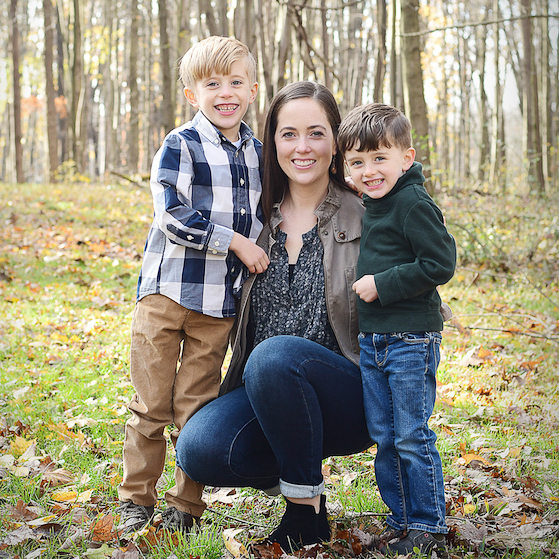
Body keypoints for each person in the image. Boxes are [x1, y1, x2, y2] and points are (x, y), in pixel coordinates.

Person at [175, 81, 374, 552]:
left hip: (350, 396)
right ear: (273, 141)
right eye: (288, 134)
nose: (302, 147)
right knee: (199, 448)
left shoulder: (365, 215)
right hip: (266, 392)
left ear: (336, 142)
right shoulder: (255, 220)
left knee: (274, 356)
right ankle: (298, 468)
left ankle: (303, 514)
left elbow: (419, 295)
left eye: (316, 133)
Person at [117, 36, 269, 533]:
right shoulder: (180, 144)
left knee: (195, 407)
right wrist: (235, 243)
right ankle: (136, 498)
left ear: (250, 89)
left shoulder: (259, 154)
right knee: (151, 404)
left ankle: (186, 506)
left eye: (235, 82)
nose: (224, 93)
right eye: (211, 84)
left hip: (218, 306)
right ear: (191, 93)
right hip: (165, 294)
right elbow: (171, 216)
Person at [337, 102, 456, 556]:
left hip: (410, 339)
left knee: (411, 434)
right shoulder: (375, 201)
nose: (369, 171)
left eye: (380, 159)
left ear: (406, 159)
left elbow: (440, 263)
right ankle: (403, 520)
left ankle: (428, 526)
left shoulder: (411, 202)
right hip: (375, 341)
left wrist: (381, 285)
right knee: (385, 434)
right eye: (358, 162)